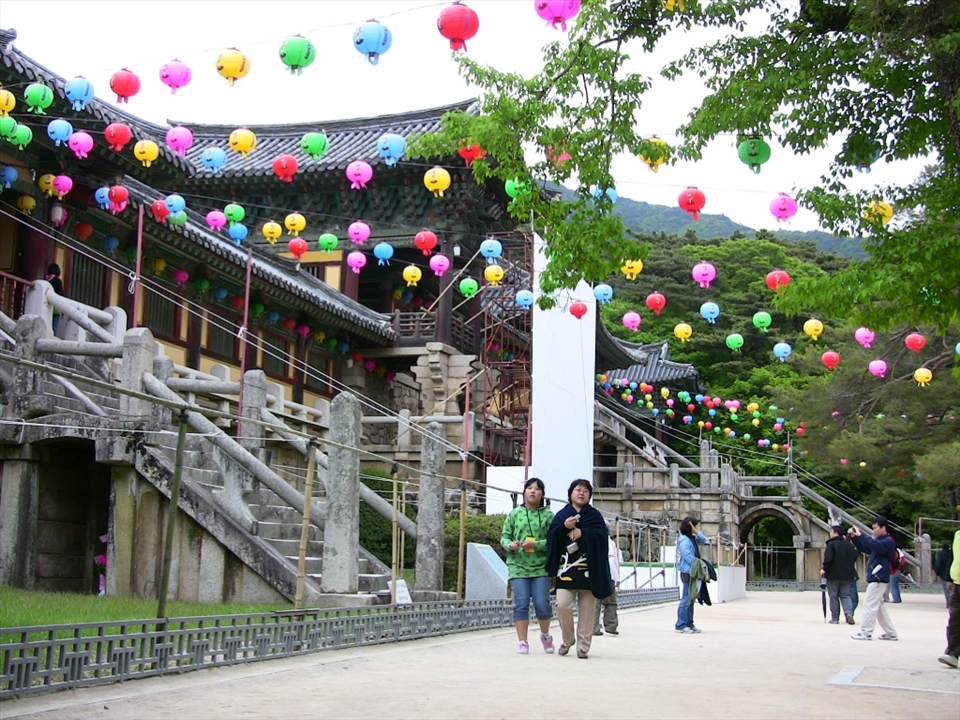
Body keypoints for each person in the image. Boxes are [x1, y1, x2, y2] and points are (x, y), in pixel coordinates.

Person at [546, 479, 612, 660]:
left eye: (585, 491)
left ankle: (583, 646)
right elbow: (552, 537)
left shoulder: (594, 516)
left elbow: (602, 537)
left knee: (587, 610)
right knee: (562, 605)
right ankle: (568, 639)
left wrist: (584, 533)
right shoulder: (562, 515)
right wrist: (563, 528)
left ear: (589, 495)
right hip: (566, 570)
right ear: (571, 493)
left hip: (590, 570)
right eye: (578, 490)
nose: (581, 493)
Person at [500, 477, 555, 655]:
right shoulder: (515, 514)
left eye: (537, 489)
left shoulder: (548, 516)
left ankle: (545, 635)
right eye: (529, 488)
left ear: (542, 494)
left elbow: (554, 541)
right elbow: (504, 536)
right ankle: (522, 641)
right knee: (521, 603)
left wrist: (536, 545)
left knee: (542, 604)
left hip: (541, 567)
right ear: (524, 492)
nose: (533, 491)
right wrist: (510, 545)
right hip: (518, 565)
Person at [849, 517, 898, 641]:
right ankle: (890, 633)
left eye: (876, 528)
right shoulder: (881, 542)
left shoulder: (888, 541)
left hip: (878, 576)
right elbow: (867, 548)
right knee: (878, 607)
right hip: (878, 576)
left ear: (883, 528)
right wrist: (855, 539)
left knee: (869, 604)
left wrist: (861, 535)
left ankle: (866, 632)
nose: (874, 530)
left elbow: (874, 545)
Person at [675, 516, 708, 634]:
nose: (696, 528)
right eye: (695, 525)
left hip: (693, 572)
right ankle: (681, 624)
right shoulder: (684, 540)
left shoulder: (693, 538)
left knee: (692, 598)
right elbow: (687, 555)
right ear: (690, 526)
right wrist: (697, 564)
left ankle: (689, 622)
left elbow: (704, 540)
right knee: (686, 598)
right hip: (688, 572)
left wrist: (696, 532)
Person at [821, 525, 858, 625]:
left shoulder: (832, 545)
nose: (830, 533)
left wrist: (824, 569)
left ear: (835, 532)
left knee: (833, 595)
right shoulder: (849, 545)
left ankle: (835, 618)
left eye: (831, 531)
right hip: (847, 575)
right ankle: (849, 614)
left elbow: (828, 559)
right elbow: (854, 557)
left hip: (833, 574)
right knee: (845, 595)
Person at [938, 530, 960, 668]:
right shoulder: (958, 534)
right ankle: (952, 653)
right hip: (957, 583)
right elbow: (955, 558)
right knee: (954, 621)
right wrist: (950, 577)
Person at [594, 535, 621, 636]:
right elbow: (611, 562)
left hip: (595, 575)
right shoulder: (610, 542)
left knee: (595, 603)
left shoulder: (593, 539)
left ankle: (593, 627)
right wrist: (616, 577)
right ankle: (611, 625)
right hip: (608, 575)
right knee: (610, 602)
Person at [934, 540, 954, 609]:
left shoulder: (941, 554)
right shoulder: (952, 553)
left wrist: (938, 573)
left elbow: (938, 564)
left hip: (944, 574)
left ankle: (949, 603)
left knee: (946, 589)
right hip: (953, 572)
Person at [45, 263, 63, 335]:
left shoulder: (44, 279)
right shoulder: (58, 281)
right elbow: (60, 295)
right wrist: (62, 310)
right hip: (55, 308)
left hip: (45, 306)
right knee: (54, 328)